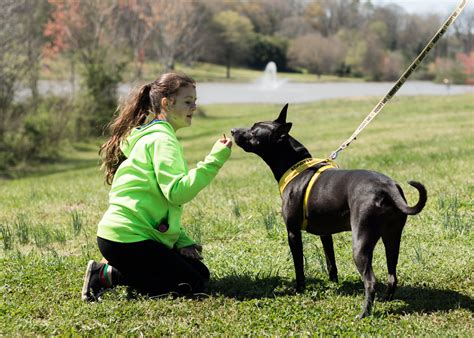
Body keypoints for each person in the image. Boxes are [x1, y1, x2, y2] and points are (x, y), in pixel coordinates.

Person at [81, 72, 232, 301]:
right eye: (187, 102)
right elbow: (176, 193)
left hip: (120, 238)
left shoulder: (151, 136)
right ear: (167, 103)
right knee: (191, 287)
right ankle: (104, 273)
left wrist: (182, 241)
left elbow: (154, 202)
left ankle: (120, 268)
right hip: (128, 240)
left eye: (195, 102)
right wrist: (215, 160)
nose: (194, 107)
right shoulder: (163, 140)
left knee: (200, 273)